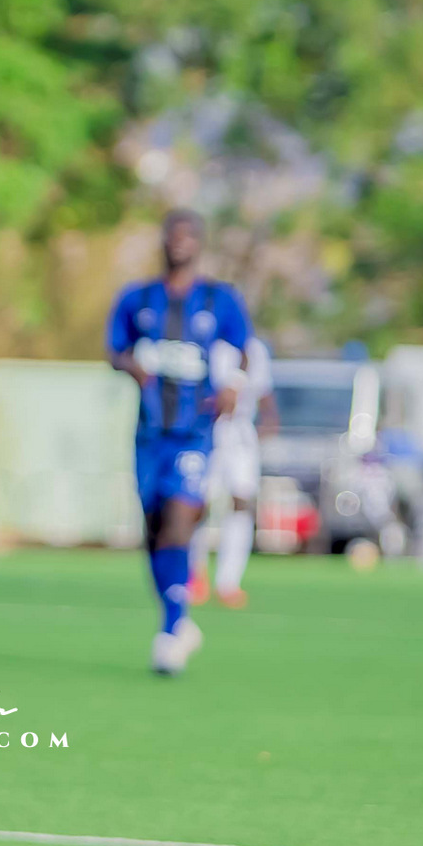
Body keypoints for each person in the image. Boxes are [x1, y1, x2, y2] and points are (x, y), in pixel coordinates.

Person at [108, 210, 250, 673]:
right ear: (163, 241)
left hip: (195, 432)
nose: (180, 242)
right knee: (153, 529)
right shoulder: (138, 298)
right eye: (173, 234)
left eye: (189, 235)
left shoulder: (219, 300)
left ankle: (171, 630)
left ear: (200, 243)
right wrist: (131, 366)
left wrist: (233, 386)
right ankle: (177, 619)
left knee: (179, 520)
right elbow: (115, 350)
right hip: (150, 434)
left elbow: (244, 350)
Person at [190, 332, 274, 608]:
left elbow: (263, 392)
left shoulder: (253, 347)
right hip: (205, 430)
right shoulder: (203, 341)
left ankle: (229, 581)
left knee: (241, 501)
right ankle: (195, 573)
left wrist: (269, 421)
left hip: (240, 432)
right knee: (198, 502)